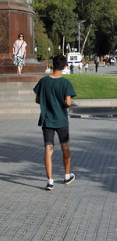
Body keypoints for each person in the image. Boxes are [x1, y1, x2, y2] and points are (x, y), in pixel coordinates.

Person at [33, 54, 76, 190]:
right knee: (65, 147)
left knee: (48, 148)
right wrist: (64, 104)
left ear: (52, 65)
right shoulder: (65, 83)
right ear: (64, 67)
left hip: (47, 119)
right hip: (61, 119)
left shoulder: (43, 81)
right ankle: (66, 176)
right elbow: (68, 102)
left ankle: (50, 181)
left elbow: (37, 99)